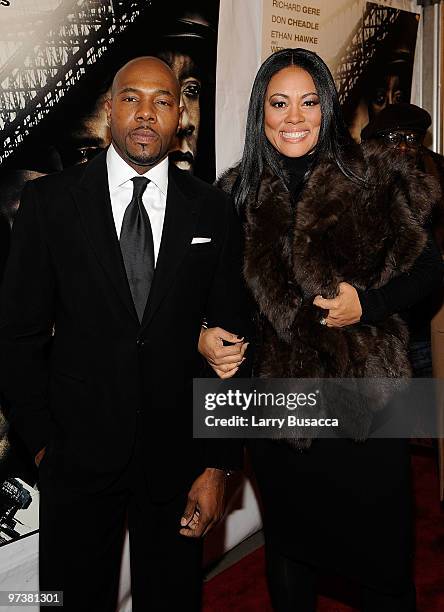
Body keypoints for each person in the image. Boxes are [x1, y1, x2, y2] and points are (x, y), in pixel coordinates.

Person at [0, 56, 249, 611]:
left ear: (179, 114)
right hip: (75, 456)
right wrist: (41, 443)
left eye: (162, 100)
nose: (145, 113)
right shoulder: (49, 203)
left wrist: (217, 465)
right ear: (109, 109)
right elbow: (17, 335)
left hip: (177, 461)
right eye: (131, 98)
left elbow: (231, 348)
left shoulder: (213, 210)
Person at [199, 48, 442, 611]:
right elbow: (213, 297)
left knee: (383, 562)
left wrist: (370, 304)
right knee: (290, 549)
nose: (293, 117)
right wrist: (205, 333)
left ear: (328, 108)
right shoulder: (235, 195)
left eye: (308, 103)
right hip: (276, 408)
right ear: (260, 112)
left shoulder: (371, 178)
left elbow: (429, 267)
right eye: (278, 103)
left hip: (366, 400)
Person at [361, 102, 444, 378]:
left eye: (412, 139)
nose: (405, 147)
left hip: (418, 322)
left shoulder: (431, 178)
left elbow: (430, 264)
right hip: (371, 329)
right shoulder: (357, 183)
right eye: (395, 138)